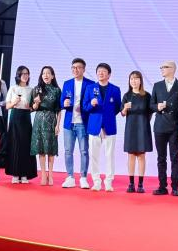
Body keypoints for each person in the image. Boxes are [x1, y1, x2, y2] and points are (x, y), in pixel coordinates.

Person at [82, 62, 121, 191]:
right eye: (99, 71)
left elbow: (117, 107)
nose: (101, 73)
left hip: (109, 126)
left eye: (103, 71)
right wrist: (91, 104)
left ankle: (109, 181)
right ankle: (96, 182)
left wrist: (107, 116)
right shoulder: (90, 88)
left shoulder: (115, 89)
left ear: (109, 74)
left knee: (110, 155)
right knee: (94, 155)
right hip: (94, 126)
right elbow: (85, 107)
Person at [151, 60, 178, 195]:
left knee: (175, 157)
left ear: (172, 69)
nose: (162, 69)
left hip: (175, 126)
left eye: (164, 67)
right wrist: (157, 107)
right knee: (161, 158)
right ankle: (162, 186)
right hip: (160, 125)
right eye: (161, 67)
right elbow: (151, 104)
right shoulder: (157, 85)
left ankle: (175, 187)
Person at [60, 58, 94, 189]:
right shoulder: (67, 83)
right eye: (73, 67)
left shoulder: (90, 84)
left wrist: (87, 106)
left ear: (84, 69)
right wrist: (64, 103)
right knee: (68, 151)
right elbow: (61, 102)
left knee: (84, 151)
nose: (75, 70)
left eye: (78, 67)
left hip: (83, 122)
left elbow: (93, 102)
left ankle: (83, 178)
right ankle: (70, 177)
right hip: (69, 122)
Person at [4, 66, 38, 184]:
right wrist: (14, 102)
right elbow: (7, 106)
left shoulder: (31, 90)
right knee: (14, 144)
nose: (25, 76)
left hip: (26, 117)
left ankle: (24, 174)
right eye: (23, 73)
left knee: (25, 145)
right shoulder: (13, 88)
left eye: (27, 73)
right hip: (15, 116)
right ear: (18, 75)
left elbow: (33, 108)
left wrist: (33, 106)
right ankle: (15, 174)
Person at [121, 70, 153, 193]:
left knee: (141, 156)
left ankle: (140, 184)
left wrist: (144, 121)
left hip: (143, 127)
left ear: (140, 81)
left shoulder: (147, 96)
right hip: (131, 128)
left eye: (136, 78)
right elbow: (122, 113)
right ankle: (131, 183)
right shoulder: (127, 95)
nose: (133, 81)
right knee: (131, 155)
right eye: (131, 79)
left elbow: (150, 112)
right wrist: (125, 108)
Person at [31, 66, 61, 186]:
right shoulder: (36, 89)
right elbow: (33, 108)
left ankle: (51, 174)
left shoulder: (57, 90)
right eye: (44, 73)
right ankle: (43, 174)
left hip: (51, 120)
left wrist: (58, 125)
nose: (46, 75)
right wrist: (36, 103)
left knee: (51, 149)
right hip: (39, 120)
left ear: (52, 76)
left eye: (48, 73)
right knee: (41, 148)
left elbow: (59, 110)